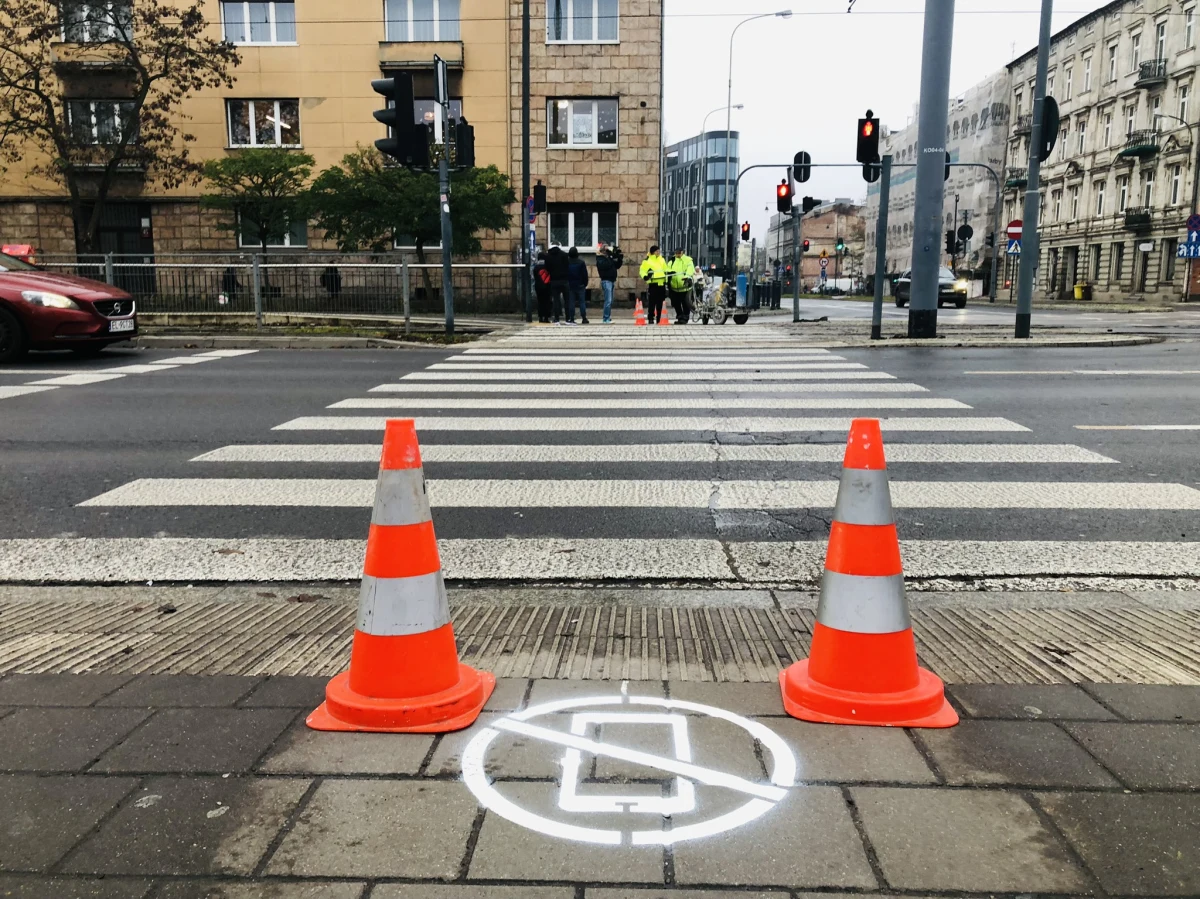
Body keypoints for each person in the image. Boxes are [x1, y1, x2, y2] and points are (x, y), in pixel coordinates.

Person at [639, 245, 668, 325]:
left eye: (659, 251)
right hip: (653, 283)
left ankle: (659, 318)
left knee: (660, 303)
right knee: (652, 302)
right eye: (656, 251)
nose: (658, 252)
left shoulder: (662, 259)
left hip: (661, 283)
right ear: (653, 252)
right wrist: (645, 276)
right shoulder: (647, 261)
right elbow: (642, 270)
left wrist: (669, 275)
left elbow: (666, 269)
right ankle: (651, 317)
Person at [595, 244, 624, 324]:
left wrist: (619, 258)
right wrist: (610, 257)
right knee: (608, 300)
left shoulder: (608, 258)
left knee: (610, 301)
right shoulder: (600, 259)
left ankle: (607, 317)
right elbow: (605, 266)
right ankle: (606, 318)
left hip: (611, 280)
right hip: (606, 281)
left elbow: (616, 266)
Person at [667, 247, 695, 325]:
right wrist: (670, 272)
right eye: (676, 253)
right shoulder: (672, 260)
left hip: (685, 287)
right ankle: (680, 317)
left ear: (683, 252)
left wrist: (687, 276)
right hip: (674, 288)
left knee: (685, 303)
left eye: (679, 253)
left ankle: (685, 317)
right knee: (676, 303)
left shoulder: (688, 260)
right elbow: (667, 269)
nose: (677, 254)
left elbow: (690, 269)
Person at [545, 244, 569, 323]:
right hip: (564, 280)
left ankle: (556, 318)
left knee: (556, 300)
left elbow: (547, 268)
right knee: (567, 300)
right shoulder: (564, 255)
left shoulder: (548, 256)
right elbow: (567, 266)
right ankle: (568, 318)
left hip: (554, 280)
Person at [566, 247, 589, 324]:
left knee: (571, 302)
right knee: (582, 302)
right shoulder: (581, 262)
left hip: (570, 284)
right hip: (580, 284)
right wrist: (585, 283)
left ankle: (572, 318)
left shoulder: (567, 262)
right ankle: (584, 318)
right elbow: (584, 274)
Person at [532, 251, 552, 322]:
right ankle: (546, 317)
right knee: (547, 301)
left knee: (540, 301)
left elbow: (535, 276)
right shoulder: (547, 266)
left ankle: (540, 317)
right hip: (547, 285)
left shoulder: (536, 267)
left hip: (538, 286)